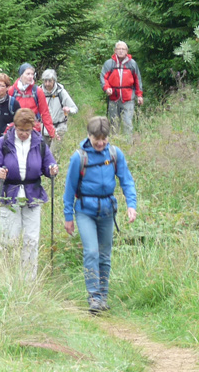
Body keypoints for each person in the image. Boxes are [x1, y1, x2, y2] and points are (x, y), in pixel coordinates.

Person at [62, 116, 138, 313]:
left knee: (105, 255)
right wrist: (68, 216)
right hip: (85, 211)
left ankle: (103, 296)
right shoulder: (79, 157)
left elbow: (126, 180)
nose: (101, 142)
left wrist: (131, 205)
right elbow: (69, 189)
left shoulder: (114, 153)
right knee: (91, 252)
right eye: (97, 138)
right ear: (89, 136)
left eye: (104, 138)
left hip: (107, 210)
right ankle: (94, 297)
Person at [0, 108, 58, 279]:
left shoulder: (39, 143)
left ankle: (28, 280)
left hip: (32, 195)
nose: (24, 134)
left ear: (33, 127)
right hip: (8, 194)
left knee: (31, 239)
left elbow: (49, 164)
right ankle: (7, 277)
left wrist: (52, 170)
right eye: (21, 130)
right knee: (8, 240)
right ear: (15, 126)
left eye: (27, 130)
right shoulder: (3, 142)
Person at [100, 41, 143, 138]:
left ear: (126, 51)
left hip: (128, 98)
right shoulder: (109, 63)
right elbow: (103, 78)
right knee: (113, 122)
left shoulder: (132, 64)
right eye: (118, 49)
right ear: (115, 51)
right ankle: (114, 142)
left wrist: (139, 95)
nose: (120, 51)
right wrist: (107, 88)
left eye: (123, 49)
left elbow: (137, 80)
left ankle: (128, 143)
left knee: (128, 122)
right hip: (113, 97)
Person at [7, 63, 57, 141]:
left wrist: (52, 133)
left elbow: (45, 113)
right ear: (21, 75)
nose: (31, 76)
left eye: (32, 74)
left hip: (33, 130)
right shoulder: (12, 91)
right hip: (16, 130)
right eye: (28, 74)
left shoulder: (37, 91)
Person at [41, 69, 78, 148]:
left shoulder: (61, 92)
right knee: (43, 156)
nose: (47, 84)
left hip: (59, 128)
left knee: (54, 155)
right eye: (45, 81)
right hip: (44, 129)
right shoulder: (39, 92)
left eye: (49, 81)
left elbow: (74, 109)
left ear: (54, 80)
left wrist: (69, 109)